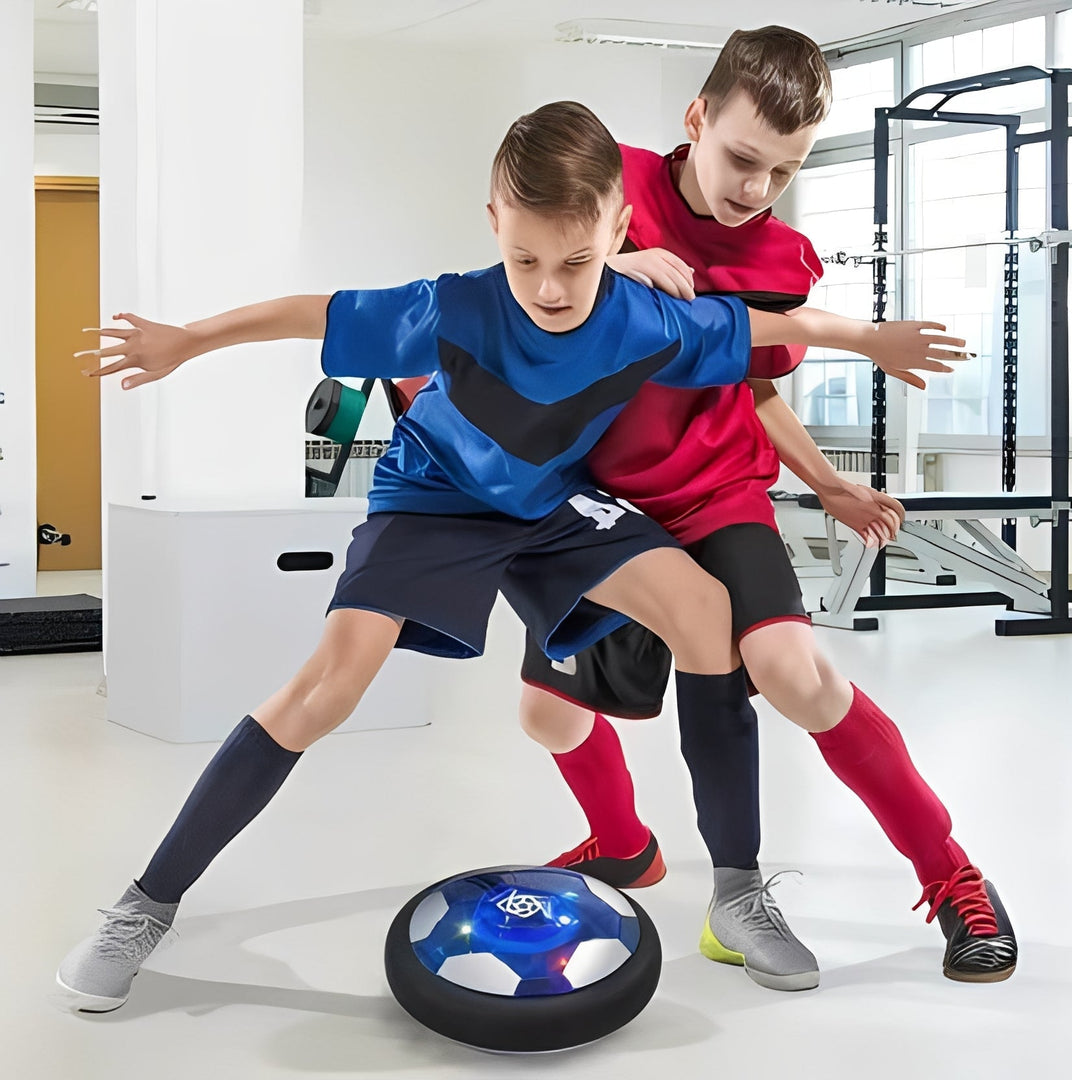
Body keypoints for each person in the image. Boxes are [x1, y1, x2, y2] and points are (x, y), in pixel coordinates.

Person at [55, 100, 921, 1013]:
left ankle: (738, 894)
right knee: (331, 685)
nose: (549, 289)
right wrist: (188, 340)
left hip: (549, 504)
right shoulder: (455, 305)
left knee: (707, 613)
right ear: (494, 225)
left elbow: (764, 328)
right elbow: (314, 312)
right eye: (525, 260)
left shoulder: (646, 319)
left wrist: (871, 339)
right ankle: (142, 909)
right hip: (434, 500)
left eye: (576, 262)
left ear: (620, 232)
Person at [517, 27, 1017, 990]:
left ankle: (952, 875)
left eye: (784, 171)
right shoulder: (611, 183)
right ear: (696, 118)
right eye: (744, 158)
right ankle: (624, 846)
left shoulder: (785, 256)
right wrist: (609, 265)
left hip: (717, 496)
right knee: (546, 714)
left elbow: (755, 387)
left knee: (795, 673)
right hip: (604, 506)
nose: (757, 188)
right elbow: (528, 269)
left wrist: (826, 481)